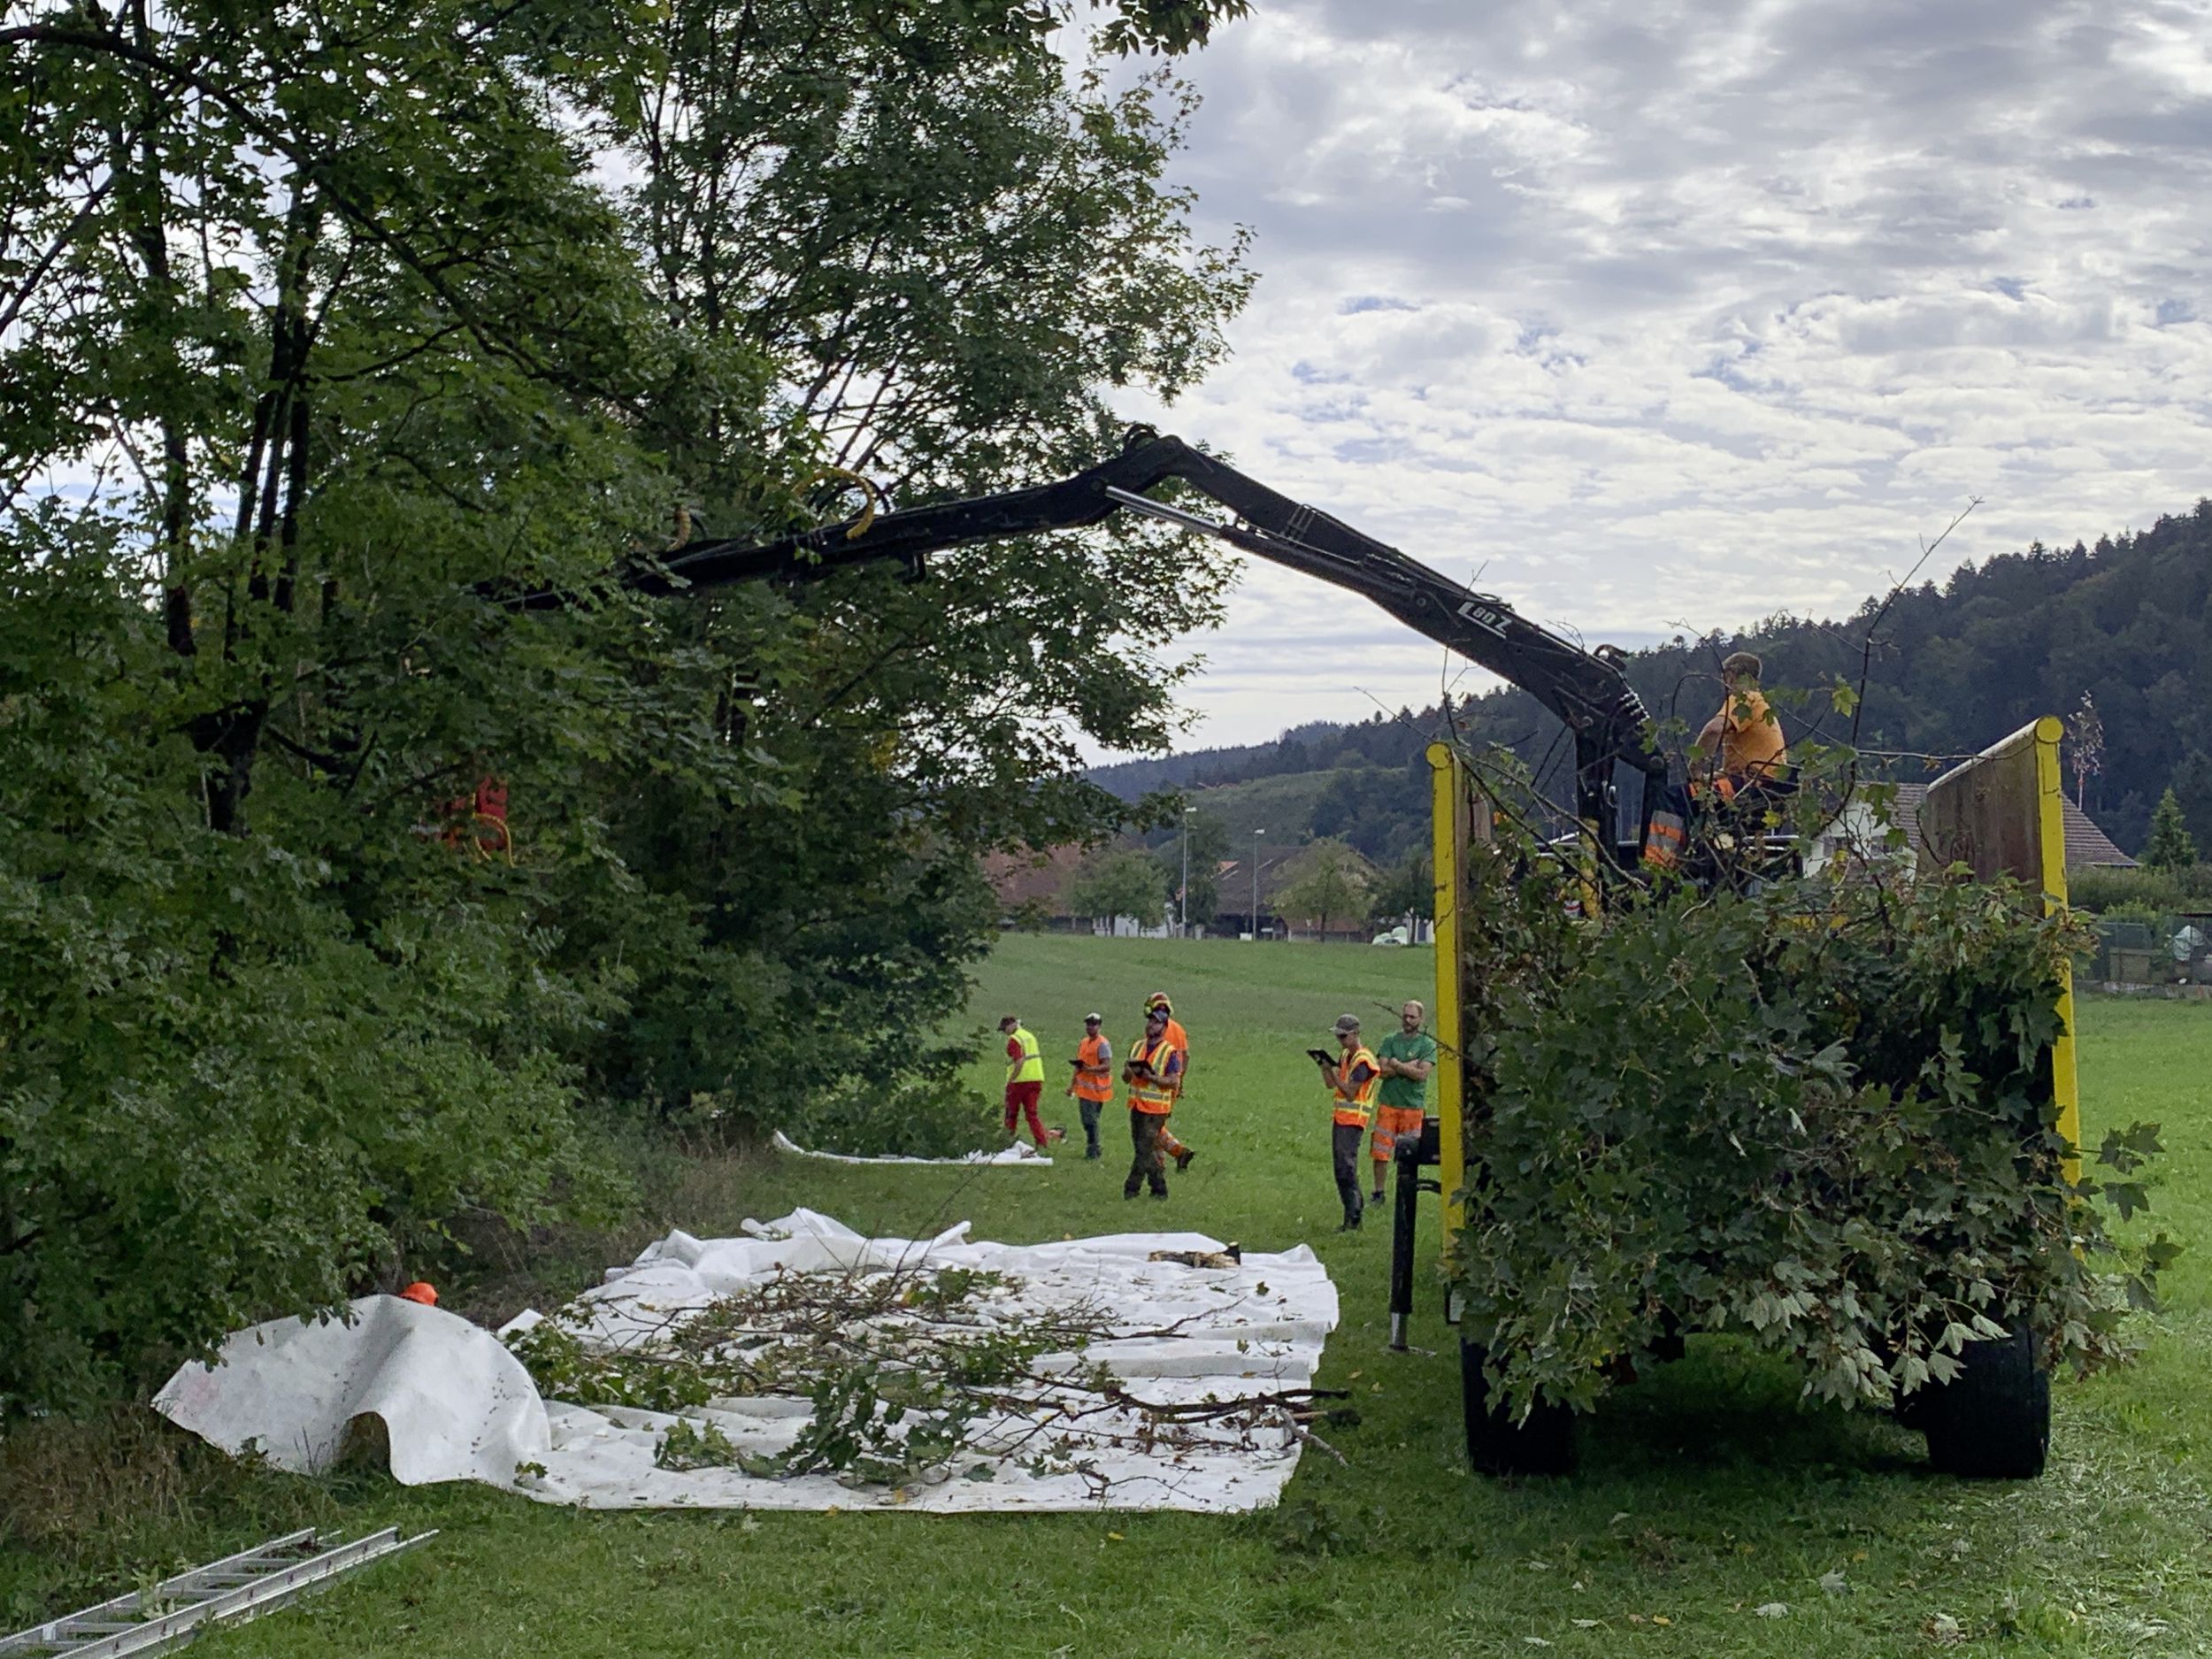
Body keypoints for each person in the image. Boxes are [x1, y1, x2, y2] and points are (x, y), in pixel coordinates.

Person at [1314, 1014, 1380, 1231]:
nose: (1340, 1041)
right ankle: (1352, 1214)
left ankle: (1354, 1218)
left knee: (1346, 1169)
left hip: (1354, 1121)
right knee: (1341, 1168)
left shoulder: (1364, 1061)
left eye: (1343, 1036)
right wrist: (1326, 1069)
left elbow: (1351, 1092)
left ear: (1355, 1034)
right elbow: (1330, 1086)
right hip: (1341, 1118)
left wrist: (1334, 1076)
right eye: (1337, 1036)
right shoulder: (1345, 1056)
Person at [1692, 650, 1789, 798]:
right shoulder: (1760, 704)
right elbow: (1734, 770)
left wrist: (1694, 769)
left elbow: (1713, 730)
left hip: (1752, 785)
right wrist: (1709, 777)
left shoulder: (1744, 699)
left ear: (1730, 676)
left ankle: (1660, 822)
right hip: (1768, 786)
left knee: (1677, 797)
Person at [1370, 999, 1438, 1203]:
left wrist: (1397, 1065)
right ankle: (1379, 1192)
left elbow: (1422, 1075)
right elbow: (1381, 1071)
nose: (1407, 1020)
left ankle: (1406, 1192)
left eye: (1412, 1016)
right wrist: (1409, 1066)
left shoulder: (1427, 1044)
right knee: (1380, 1152)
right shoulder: (1390, 1040)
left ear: (1421, 1019)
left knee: (1410, 1154)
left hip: (1412, 1107)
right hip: (1388, 1104)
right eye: (1405, 1015)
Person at [1122, 1001, 1185, 1199]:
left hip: (1156, 1109)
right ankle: (1158, 1188)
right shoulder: (1137, 1047)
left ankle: (1132, 1189)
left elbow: (1174, 1081)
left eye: (1156, 1023)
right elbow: (1126, 1078)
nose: (1151, 1025)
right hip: (1137, 1104)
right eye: (1150, 1021)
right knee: (1142, 1148)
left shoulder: (1170, 1052)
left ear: (1164, 1027)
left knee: (1143, 1148)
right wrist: (1128, 1072)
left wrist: (1152, 1078)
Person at [1144, 990, 1199, 1173]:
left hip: (1156, 1086)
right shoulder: (1179, 1029)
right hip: (1172, 1085)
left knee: (1152, 1127)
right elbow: (1186, 1057)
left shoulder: (1158, 1028)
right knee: (1157, 1126)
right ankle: (1160, 1164)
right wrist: (1180, 1082)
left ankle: (1179, 1151)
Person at [1066, 1012, 1114, 1160]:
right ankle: (1093, 1148)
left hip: (1097, 1090)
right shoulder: (1084, 1042)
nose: (1090, 1027)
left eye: (1093, 1024)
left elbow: (1107, 1066)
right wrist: (1072, 1085)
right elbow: (1079, 1067)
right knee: (1088, 1121)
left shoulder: (1103, 1044)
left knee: (1090, 1121)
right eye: (1088, 1024)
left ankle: (1094, 1150)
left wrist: (1089, 1070)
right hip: (1084, 1090)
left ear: (1099, 1026)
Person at [999, 1014, 1049, 1153]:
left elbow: (1019, 1061)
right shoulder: (1029, 1036)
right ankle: (1042, 1142)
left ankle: (1007, 1141)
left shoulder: (1014, 1040)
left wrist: (1011, 1079)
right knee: (1032, 1113)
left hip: (1020, 1082)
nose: (1005, 1033)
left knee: (1011, 1113)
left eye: (1005, 1029)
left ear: (1011, 1025)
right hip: (1036, 1078)